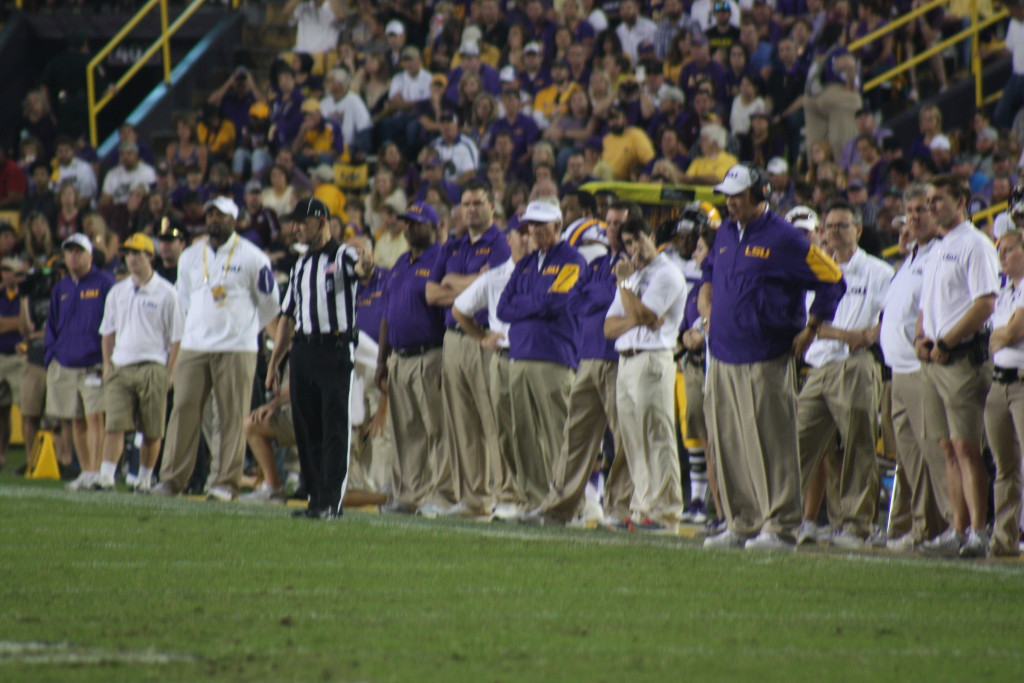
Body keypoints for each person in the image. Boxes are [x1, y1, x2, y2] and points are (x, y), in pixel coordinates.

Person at [700, 164, 845, 550]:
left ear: (761, 193)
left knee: (772, 444)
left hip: (766, 355)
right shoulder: (726, 233)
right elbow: (709, 274)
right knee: (728, 443)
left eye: (738, 195)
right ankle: (742, 521)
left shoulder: (786, 238)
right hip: (723, 354)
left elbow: (832, 279)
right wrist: (706, 305)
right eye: (727, 195)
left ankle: (780, 527)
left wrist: (812, 328)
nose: (730, 202)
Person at [151, 197, 280, 501]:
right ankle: (171, 479)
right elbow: (185, 300)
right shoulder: (190, 257)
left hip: (236, 347)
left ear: (234, 220)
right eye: (210, 214)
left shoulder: (253, 256)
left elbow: (270, 304)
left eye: (220, 215)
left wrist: (244, 329)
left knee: (231, 416)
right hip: (195, 345)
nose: (213, 220)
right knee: (183, 409)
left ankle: (225, 482)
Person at [795, 200, 893, 547]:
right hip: (820, 366)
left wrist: (862, 336)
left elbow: (885, 323)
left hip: (857, 365)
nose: (834, 232)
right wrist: (845, 334)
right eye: (829, 226)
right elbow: (811, 325)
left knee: (858, 447)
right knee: (798, 442)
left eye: (842, 225)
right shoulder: (814, 271)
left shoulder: (879, 272)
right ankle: (784, 519)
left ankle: (856, 526)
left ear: (858, 230)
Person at [266, 198, 371, 520]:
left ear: (321, 220)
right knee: (307, 429)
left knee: (334, 428)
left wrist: (367, 262)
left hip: (335, 349)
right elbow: (287, 316)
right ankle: (315, 499)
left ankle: (331, 503)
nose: (295, 227)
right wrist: (274, 364)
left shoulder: (343, 255)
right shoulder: (299, 265)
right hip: (303, 351)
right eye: (293, 222)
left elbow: (361, 269)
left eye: (301, 221)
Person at [915, 175, 998, 558]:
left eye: (938, 200)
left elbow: (984, 302)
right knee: (948, 447)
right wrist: (921, 336)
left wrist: (947, 341)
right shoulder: (937, 248)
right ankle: (957, 528)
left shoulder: (975, 244)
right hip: (934, 358)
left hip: (961, 359)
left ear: (961, 200)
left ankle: (979, 531)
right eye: (928, 200)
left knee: (967, 447)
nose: (930, 207)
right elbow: (927, 304)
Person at [425, 181, 511, 518]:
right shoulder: (453, 245)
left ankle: (504, 496)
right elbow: (431, 292)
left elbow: (495, 287)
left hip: (484, 336)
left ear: (492, 206)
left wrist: (453, 283)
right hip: (452, 337)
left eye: (478, 202)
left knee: (493, 421)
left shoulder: (501, 243)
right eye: (466, 203)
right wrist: (475, 280)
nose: (471, 209)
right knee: (461, 423)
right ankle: (473, 499)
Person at [497, 199, 587, 510]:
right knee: (522, 434)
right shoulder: (525, 263)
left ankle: (568, 503)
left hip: (554, 357)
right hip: (519, 357)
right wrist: (538, 301)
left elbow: (558, 303)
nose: (534, 231)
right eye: (530, 226)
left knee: (558, 435)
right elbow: (502, 308)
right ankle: (534, 499)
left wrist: (529, 302)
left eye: (541, 225)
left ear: (557, 226)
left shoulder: (573, 260)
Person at [603, 217, 687, 532]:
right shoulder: (635, 276)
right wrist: (638, 317)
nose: (634, 248)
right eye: (627, 243)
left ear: (651, 236)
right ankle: (642, 508)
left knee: (657, 435)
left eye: (638, 239)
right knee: (633, 440)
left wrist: (626, 289)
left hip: (652, 360)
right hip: (626, 360)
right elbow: (609, 327)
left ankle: (665, 512)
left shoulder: (667, 274)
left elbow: (642, 315)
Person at [878, 185, 950, 552]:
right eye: (910, 211)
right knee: (910, 457)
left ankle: (954, 526)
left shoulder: (940, 254)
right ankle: (924, 528)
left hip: (921, 370)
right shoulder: (909, 259)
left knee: (935, 454)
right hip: (897, 371)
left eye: (921, 209)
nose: (914, 218)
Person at [452, 219, 531, 520]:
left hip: (538, 357)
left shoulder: (543, 273)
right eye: (519, 234)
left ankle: (540, 495)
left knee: (538, 430)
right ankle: (510, 495)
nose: (525, 240)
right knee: (505, 431)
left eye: (529, 234)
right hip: (504, 357)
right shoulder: (497, 276)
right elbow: (459, 309)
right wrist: (481, 337)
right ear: (508, 239)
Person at [375, 202, 448, 514]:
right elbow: (387, 315)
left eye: (417, 223)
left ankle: (441, 496)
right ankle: (410, 495)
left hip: (430, 354)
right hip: (399, 357)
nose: (409, 228)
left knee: (438, 430)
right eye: (407, 223)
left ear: (434, 228)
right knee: (406, 432)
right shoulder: (401, 261)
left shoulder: (442, 259)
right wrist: (382, 360)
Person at [96, 233, 183, 492]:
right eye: (128, 253)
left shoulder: (168, 293)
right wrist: (108, 365)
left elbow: (177, 338)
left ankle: (144, 478)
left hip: (152, 365)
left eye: (137, 253)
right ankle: (106, 477)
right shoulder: (117, 291)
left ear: (150, 257)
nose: (131, 258)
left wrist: (170, 373)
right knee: (114, 425)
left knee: (151, 428)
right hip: (121, 365)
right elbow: (107, 332)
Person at [46, 234, 115, 491]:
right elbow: (52, 325)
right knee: (76, 419)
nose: (73, 256)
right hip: (65, 363)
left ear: (90, 255)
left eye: (79, 251)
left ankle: (97, 471)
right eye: (69, 252)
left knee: (96, 417)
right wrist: (51, 355)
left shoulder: (105, 283)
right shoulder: (61, 288)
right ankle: (86, 471)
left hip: (94, 363)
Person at [983, 228, 1024, 557]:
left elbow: (1011, 332)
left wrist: (1002, 334)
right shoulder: (1005, 291)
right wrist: (1002, 334)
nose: (1002, 257)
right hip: (999, 383)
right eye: (1000, 251)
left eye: (1009, 250)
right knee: (1004, 465)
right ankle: (1004, 538)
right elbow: (996, 336)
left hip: (1022, 382)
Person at [0, 256, 25, 470]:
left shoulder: (26, 294)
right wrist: (16, 323)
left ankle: (31, 457)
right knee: (2, 410)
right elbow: (20, 323)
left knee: (26, 408)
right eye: (4, 270)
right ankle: (1, 455)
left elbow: (26, 324)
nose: (8, 274)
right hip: (1, 355)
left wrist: (9, 323)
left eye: (12, 270)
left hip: (20, 358)